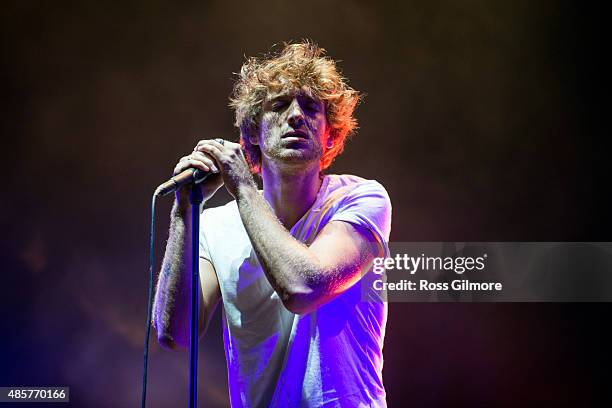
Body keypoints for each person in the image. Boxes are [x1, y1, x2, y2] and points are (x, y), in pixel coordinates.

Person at [152, 41, 392, 407]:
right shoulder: (216, 226)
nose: (296, 115)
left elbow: (303, 288)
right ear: (252, 135)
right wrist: (184, 211)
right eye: (279, 106)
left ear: (330, 133)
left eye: (311, 107)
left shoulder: (361, 199)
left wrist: (243, 188)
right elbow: (175, 333)